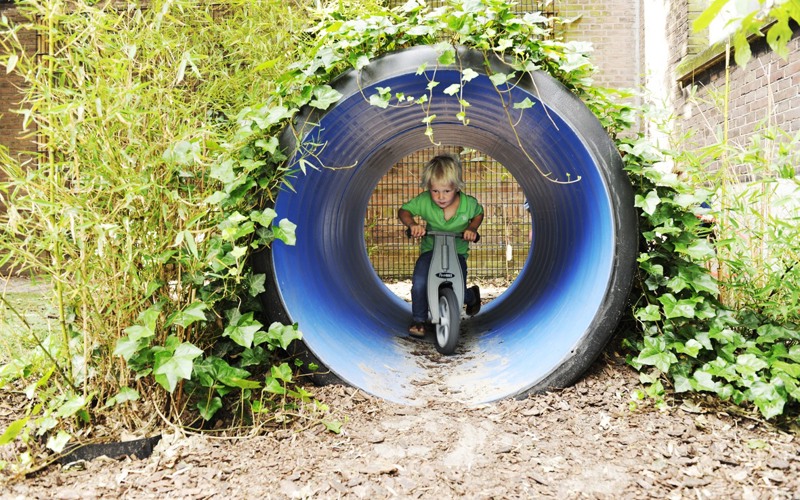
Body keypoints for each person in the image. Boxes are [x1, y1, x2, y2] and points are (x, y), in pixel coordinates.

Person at [398, 153, 484, 338]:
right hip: (430, 251)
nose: (440, 197)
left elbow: (478, 214)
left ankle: (471, 296)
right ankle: (419, 320)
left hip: (457, 253)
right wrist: (412, 225)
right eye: (435, 191)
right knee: (420, 282)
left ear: (456, 187)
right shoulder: (424, 201)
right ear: (429, 188)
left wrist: (472, 228)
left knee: (457, 286)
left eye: (447, 191)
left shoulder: (468, 204)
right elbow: (404, 211)